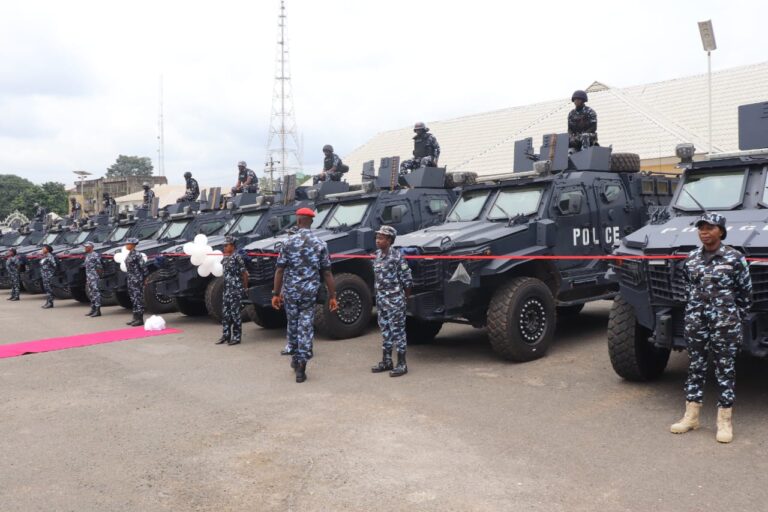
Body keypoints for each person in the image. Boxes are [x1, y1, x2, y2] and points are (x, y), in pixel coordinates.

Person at [670, 213, 752, 444]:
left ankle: (724, 420)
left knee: (725, 369)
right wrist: (696, 310)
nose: (704, 232)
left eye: (710, 228)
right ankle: (691, 416)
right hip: (697, 321)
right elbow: (688, 286)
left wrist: (732, 316)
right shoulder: (692, 258)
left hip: (725, 323)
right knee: (696, 365)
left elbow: (745, 294)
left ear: (721, 232)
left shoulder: (735, 258)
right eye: (701, 228)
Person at [271, 207, 338, 383]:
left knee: (292, 323)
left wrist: (276, 293)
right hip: (309, 292)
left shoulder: (288, 242)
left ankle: (294, 356)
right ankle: (302, 366)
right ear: (311, 222)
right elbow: (327, 273)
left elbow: (279, 270)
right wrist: (333, 296)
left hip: (291, 292)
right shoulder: (320, 244)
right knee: (306, 326)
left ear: (298, 220)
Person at [370, 226, 413, 377]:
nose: (377, 240)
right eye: (377, 237)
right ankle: (387, 361)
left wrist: (404, 299)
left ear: (389, 240)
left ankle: (402, 364)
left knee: (398, 332)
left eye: (381, 238)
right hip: (381, 300)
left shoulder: (397, 257)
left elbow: (407, 281)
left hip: (395, 300)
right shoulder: (377, 255)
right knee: (385, 330)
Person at [216, 236, 249, 346]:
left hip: (236, 289)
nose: (224, 247)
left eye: (227, 245)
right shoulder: (225, 258)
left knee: (235, 314)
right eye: (224, 245)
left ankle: (237, 336)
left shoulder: (237, 257)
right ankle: (225, 335)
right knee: (225, 313)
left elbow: (244, 274)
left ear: (233, 246)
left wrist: (245, 288)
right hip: (227, 290)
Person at [124, 238, 147, 326]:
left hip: (137, 279)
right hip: (131, 279)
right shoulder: (129, 254)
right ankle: (135, 318)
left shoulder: (137, 254)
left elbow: (143, 267)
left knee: (138, 299)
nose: (126, 245)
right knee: (133, 298)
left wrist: (144, 278)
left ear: (133, 245)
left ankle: (140, 319)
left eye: (128, 244)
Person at [83, 242, 103, 317]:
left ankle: (98, 310)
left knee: (95, 292)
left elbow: (99, 267)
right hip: (89, 277)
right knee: (91, 293)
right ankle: (93, 309)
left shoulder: (95, 255)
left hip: (94, 276)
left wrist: (98, 276)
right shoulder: (87, 255)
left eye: (86, 247)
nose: (85, 248)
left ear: (91, 247)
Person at [40, 244, 56, 309]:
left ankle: (50, 303)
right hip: (44, 275)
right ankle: (48, 302)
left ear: (48, 250)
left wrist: (50, 272)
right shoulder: (44, 256)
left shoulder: (50, 256)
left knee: (49, 289)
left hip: (48, 275)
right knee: (46, 289)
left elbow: (54, 265)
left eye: (44, 248)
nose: (43, 249)